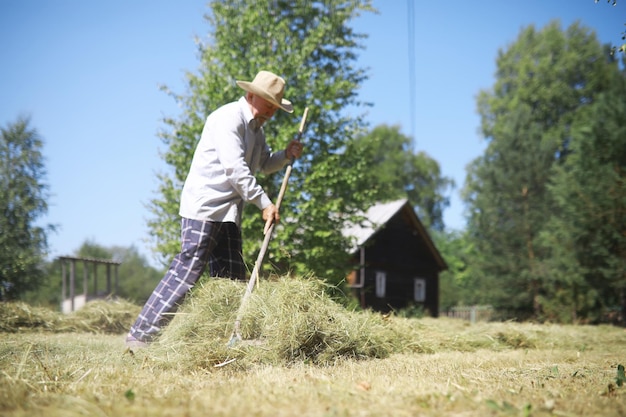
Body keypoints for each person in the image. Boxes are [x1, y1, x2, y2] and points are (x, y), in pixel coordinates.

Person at [126, 70, 304, 348]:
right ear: (251, 95)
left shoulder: (257, 129)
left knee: (231, 278)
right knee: (187, 271)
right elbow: (235, 170)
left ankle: (222, 339)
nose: (271, 110)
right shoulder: (227, 118)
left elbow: (264, 164)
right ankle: (140, 335)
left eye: (275, 106)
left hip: (229, 213)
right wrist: (265, 203)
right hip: (205, 207)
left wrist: (286, 155)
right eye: (268, 103)